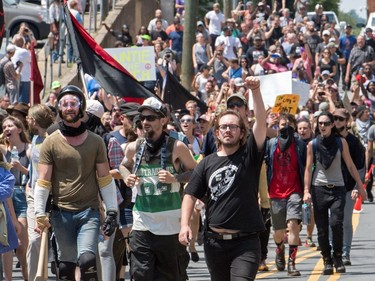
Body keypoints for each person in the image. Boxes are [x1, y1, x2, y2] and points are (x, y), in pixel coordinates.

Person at [179, 77, 267, 281]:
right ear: (217, 133)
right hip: (214, 244)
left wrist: (255, 92)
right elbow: (190, 195)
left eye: (233, 127)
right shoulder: (207, 163)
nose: (228, 130)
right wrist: (184, 225)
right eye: (224, 127)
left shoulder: (250, 155)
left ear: (241, 131)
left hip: (246, 243)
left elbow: (261, 121)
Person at [34, 85, 118, 281]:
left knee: (88, 260)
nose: (69, 108)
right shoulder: (50, 142)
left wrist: (112, 210)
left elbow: (105, 179)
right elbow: (43, 181)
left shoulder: (96, 141)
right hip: (60, 213)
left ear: (81, 108)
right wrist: (39, 212)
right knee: (65, 269)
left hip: (88, 212)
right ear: (59, 109)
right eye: (64, 104)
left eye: (74, 103)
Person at [119, 97, 197, 280]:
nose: (145, 122)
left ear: (163, 120)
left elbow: (196, 173)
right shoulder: (135, 147)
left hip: (170, 227)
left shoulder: (177, 147)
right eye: (142, 118)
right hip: (142, 223)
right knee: (140, 276)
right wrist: (126, 176)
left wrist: (175, 178)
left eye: (151, 118)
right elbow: (123, 165)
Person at [303, 112, 364, 275]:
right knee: (322, 229)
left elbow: (351, 165)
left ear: (332, 125)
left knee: (336, 224)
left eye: (326, 123)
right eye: (320, 123)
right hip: (319, 189)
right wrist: (306, 191)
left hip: (338, 188)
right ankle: (327, 260)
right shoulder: (312, 145)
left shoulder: (341, 142)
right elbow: (308, 169)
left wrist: (360, 185)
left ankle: (338, 256)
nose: (322, 126)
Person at [265, 113, 306, 276]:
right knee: (279, 231)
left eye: (289, 124)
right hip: (275, 192)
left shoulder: (300, 145)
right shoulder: (271, 144)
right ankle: (280, 249)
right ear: (277, 127)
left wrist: (306, 190)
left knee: (293, 225)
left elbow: (306, 167)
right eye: (282, 124)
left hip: (294, 191)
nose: (286, 127)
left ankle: (292, 263)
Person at [25, 104, 55, 281]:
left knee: (55, 244)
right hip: (33, 196)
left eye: (29, 118)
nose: (27, 121)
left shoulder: (53, 139)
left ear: (34, 120)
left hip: (53, 198)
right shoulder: (35, 138)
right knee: (35, 240)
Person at [333, 108, 366, 266]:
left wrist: (356, 187)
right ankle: (334, 251)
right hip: (331, 187)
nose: (337, 121)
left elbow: (360, 168)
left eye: (340, 119)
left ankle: (345, 253)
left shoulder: (354, 143)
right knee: (332, 221)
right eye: (335, 119)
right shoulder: (329, 139)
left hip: (348, 187)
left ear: (346, 122)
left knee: (346, 221)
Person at [1, 116, 30, 280]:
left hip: (23, 195)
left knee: (21, 245)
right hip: (6, 197)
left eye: (10, 126)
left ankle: (27, 275)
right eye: (4, 127)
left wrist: (21, 168)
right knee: (5, 244)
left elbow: (36, 175)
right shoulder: (3, 150)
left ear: (19, 129)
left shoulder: (29, 149)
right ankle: (8, 278)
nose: (6, 129)